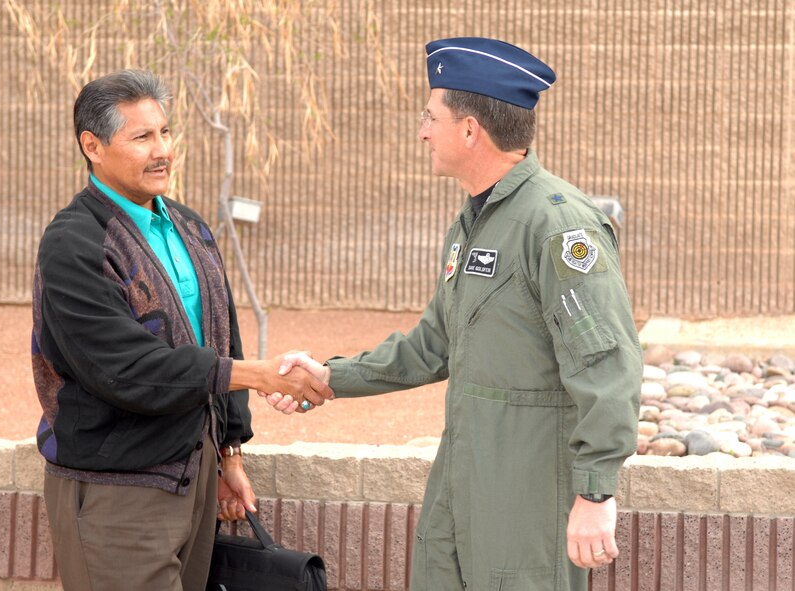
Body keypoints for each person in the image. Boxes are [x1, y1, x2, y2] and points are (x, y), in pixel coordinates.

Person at [264, 37, 642, 590]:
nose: (422, 131)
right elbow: (434, 345)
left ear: (469, 130)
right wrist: (328, 377)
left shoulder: (557, 226)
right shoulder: (474, 221)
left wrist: (595, 494)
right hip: (461, 483)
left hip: (529, 495)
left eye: (429, 117)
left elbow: (607, 364)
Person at [31, 69, 332, 591]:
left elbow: (222, 337)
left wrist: (230, 452)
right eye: (142, 137)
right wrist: (260, 374)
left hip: (195, 481)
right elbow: (127, 369)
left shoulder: (190, 227)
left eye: (166, 132)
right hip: (117, 493)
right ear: (92, 146)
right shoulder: (74, 244)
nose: (162, 150)